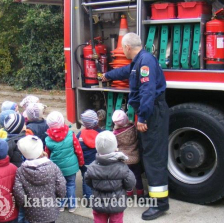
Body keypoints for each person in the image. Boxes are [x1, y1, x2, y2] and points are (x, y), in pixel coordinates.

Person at [102, 32, 169, 220]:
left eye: (123, 47)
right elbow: (125, 71)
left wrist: (143, 118)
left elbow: (148, 92)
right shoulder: (139, 61)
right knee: (148, 154)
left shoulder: (145, 62)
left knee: (154, 157)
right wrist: (107, 75)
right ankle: (156, 196)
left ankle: (160, 204)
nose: (123, 50)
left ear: (127, 47)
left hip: (153, 114)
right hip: (150, 112)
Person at [85, 131, 136, 223]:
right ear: (115, 147)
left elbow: (88, 181)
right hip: (117, 204)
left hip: (98, 203)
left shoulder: (91, 167)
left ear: (97, 148)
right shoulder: (122, 167)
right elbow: (130, 184)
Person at [13, 135, 66, 223]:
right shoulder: (53, 167)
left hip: (31, 212)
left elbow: (19, 193)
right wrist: (60, 197)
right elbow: (61, 186)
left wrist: (24, 205)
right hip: (50, 211)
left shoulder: (21, 171)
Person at [44, 111, 84, 213]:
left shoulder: (48, 139)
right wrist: (81, 162)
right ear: (62, 122)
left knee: (58, 186)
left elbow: (46, 155)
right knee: (70, 184)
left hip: (56, 168)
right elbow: (78, 149)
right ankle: (71, 206)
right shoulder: (71, 135)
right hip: (71, 167)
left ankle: (61, 205)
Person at [112, 110, 144, 198]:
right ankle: (140, 193)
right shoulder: (133, 128)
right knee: (138, 176)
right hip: (135, 158)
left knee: (126, 178)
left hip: (124, 160)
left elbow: (115, 146)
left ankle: (129, 194)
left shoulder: (115, 134)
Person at [76, 109, 102, 200]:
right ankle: (96, 195)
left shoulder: (80, 134)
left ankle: (87, 198)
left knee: (86, 180)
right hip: (96, 163)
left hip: (84, 163)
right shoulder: (100, 134)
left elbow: (76, 146)